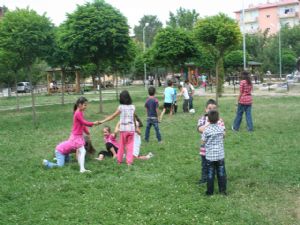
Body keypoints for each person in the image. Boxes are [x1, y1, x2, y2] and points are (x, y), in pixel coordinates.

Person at [43, 97, 100, 173]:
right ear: (79, 105)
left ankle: (81, 168)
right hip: (76, 136)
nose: (86, 107)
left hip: (78, 136)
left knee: (81, 151)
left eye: (86, 105)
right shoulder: (77, 113)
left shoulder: (80, 112)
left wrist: (88, 133)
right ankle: (82, 169)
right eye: (85, 105)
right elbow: (84, 122)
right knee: (82, 151)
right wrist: (93, 123)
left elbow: (82, 125)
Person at [100, 90, 135, 166]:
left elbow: (113, 116)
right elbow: (133, 118)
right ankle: (129, 162)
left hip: (123, 130)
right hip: (131, 130)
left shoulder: (121, 107)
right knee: (130, 146)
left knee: (122, 145)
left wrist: (103, 121)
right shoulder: (133, 107)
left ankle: (119, 160)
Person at [197, 99, 225, 184]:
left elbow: (224, 133)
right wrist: (210, 123)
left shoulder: (220, 120)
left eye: (214, 108)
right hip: (205, 149)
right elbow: (200, 129)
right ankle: (205, 179)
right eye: (209, 108)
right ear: (206, 109)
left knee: (217, 165)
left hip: (217, 149)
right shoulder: (202, 119)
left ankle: (218, 177)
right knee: (205, 165)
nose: (212, 110)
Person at [202, 110, 227, 195]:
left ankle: (209, 192)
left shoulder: (206, 130)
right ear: (218, 119)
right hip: (220, 156)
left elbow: (203, 142)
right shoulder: (221, 128)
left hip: (210, 157)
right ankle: (223, 191)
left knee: (210, 174)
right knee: (221, 173)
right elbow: (224, 135)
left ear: (208, 120)